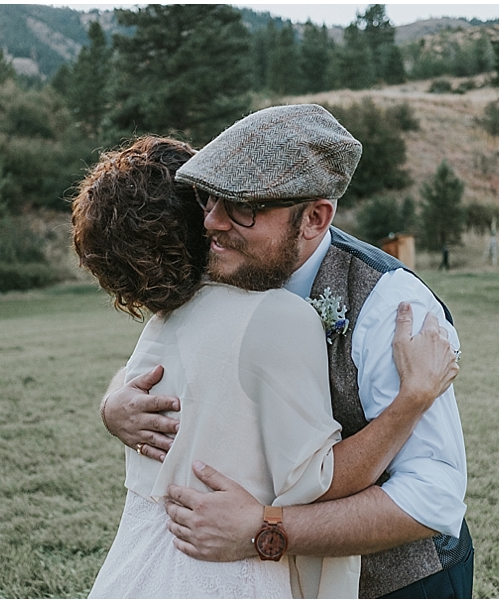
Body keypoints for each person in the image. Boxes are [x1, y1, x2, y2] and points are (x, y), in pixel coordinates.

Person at [102, 104, 473, 598]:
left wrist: (264, 531)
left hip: (399, 583)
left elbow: (433, 497)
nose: (211, 222)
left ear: (315, 218)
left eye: (243, 207)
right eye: (209, 198)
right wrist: (113, 403)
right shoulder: (224, 262)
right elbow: (163, 345)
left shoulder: (391, 307)